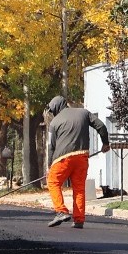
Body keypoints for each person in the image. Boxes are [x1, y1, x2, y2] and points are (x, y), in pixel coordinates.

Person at [44, 95, 109, 229]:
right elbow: (101, 126)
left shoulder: (54, 123)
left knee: (52, 182)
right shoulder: (83, 112)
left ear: (56, 107)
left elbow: (51, 146)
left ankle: (61, 211)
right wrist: (105, 143)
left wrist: (49, 166)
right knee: (79, 188)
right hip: (82, 156)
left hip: (62, 158)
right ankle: (79, 219)